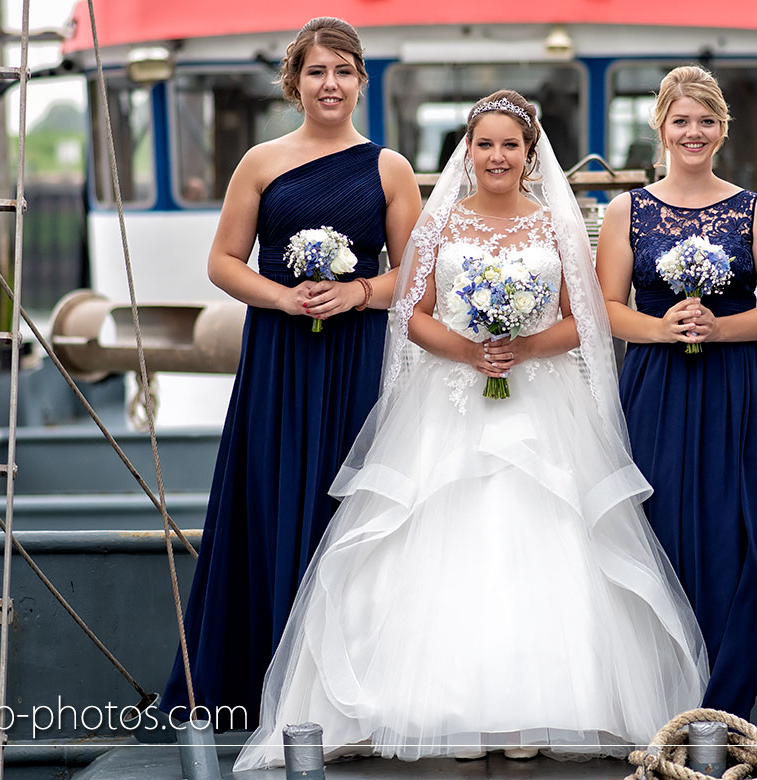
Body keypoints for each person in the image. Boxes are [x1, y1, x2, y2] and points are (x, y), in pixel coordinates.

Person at [233, 90, 707, 768]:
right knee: (436, 541)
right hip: (449, 399)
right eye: (485, 144)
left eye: (510, 145)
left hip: (541, 403)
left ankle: (537, 709)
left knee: (543, 543)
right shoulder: (442, 224)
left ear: (530, 153)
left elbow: (585, 319)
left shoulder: (554, 227)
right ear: (468, 151)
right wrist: (468, 349)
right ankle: (438, 707)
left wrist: (526, 345)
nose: (497, 156)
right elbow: (413, 312)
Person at [158, 17, 422, 725]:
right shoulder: (261, 162)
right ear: (294, 82)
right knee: (272, 499)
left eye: (343, 72)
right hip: (278, 359)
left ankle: (347, 693)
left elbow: (416, 276)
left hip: (355, 361)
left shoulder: (388, 168)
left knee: (349, 510)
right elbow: (222, 261)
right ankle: (263, 679)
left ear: (362, 82)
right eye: (317, 72)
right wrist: (283, 296)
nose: (330, 84)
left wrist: (358, 291)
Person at [596, 65, 757, 718]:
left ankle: (724, 712)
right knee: (655, 535)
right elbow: (604, 309)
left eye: (706, 121)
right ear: (660, 126)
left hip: (740, 392)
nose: (693, 132)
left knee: (735, 544)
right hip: (656, 389)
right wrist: (661, 328)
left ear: (722, 130)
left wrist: (720, 328)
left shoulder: (752, 210)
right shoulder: (627, 210)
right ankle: (658, 708)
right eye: (681, 120)